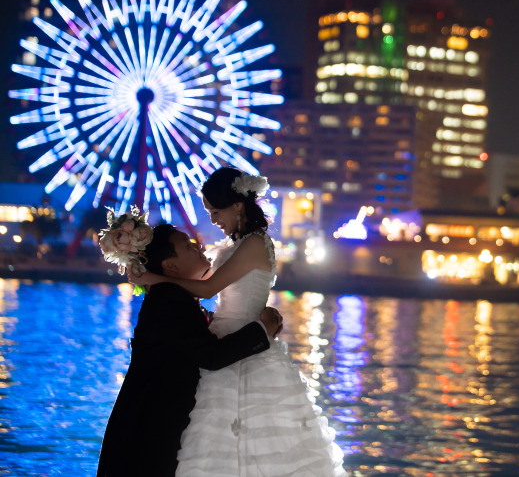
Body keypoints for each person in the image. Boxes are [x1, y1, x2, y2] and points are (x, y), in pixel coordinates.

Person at [131, 167, 347, 477]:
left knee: (255, 438)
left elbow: (207, 289)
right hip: (225, 341)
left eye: (215, 210)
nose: (213, 218)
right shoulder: (235, 245)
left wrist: (155, 278)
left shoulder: (255, 243)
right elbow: (196, 279)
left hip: (244, 345)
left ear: (237, 205)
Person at [97, 223, 283, 477]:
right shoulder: (170, 300)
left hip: (146, 427)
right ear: (171, 266)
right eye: (186, 245)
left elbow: (191, 339)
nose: (196, 246)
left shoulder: (173, 298)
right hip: (148, 434)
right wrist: (261, 330)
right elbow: (211, 355)